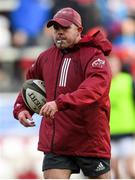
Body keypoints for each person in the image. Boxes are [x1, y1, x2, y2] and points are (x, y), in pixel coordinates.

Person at [13, 7, 112, 179]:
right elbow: (29, 85)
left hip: (89, 139)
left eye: (65, 28)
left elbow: (92, 90)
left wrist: (58, 103)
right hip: (56, 142)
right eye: (56, 29)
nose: (59, 33)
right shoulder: (44, 58)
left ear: (79, 30)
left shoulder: (94, 57)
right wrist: (22, 109)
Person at [109, 54, 135, 178]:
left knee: (131, 171)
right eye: (110, 65)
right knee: (114, 173)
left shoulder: (128, 81)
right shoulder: (102, 83)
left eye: (114, 64)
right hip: (109, 134)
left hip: (127, 132)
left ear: (119, 66)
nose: (112, 67)